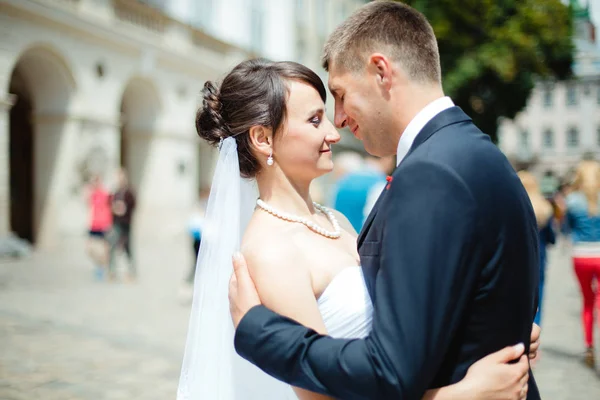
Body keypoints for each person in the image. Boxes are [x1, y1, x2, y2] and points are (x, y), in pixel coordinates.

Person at [177, 57, 540, 400]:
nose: (335, 132)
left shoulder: (336, 220)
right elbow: (321, 393)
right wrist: (461, 395)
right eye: (315, 120)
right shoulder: (272, 250)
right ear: (263, 139)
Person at [564, 160, 600, 369]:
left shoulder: (572, 200)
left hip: (581, 255)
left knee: (587, 300)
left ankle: (589, 345)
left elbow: (568, 228)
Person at [518, 171, 556, 326]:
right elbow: (552, 239)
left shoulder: (513, 206)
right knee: (538, 298)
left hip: (517, 260)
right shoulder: (544, 208)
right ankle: (535, 331)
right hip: (539, 259)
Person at [107, 168, 136, 282]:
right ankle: (112, 271)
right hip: (116, 223)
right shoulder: (115, 192)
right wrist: (114, 208)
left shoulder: (128, 192)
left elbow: (133, 204)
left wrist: (124, 208)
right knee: (113, 245)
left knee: (128, 247)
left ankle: (130, 271)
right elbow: (109, 203)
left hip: (126, 223)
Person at [85, 174, 112, 280]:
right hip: (93, 224)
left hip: (103, 224)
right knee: (89, 249)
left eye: (97, 181)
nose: (95, 183)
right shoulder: (92, 194)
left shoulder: (105, 194)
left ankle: (103, 268)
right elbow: (86, 202)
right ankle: (99, 265)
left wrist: (109, 223)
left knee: (104, 249)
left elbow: (110, 207)